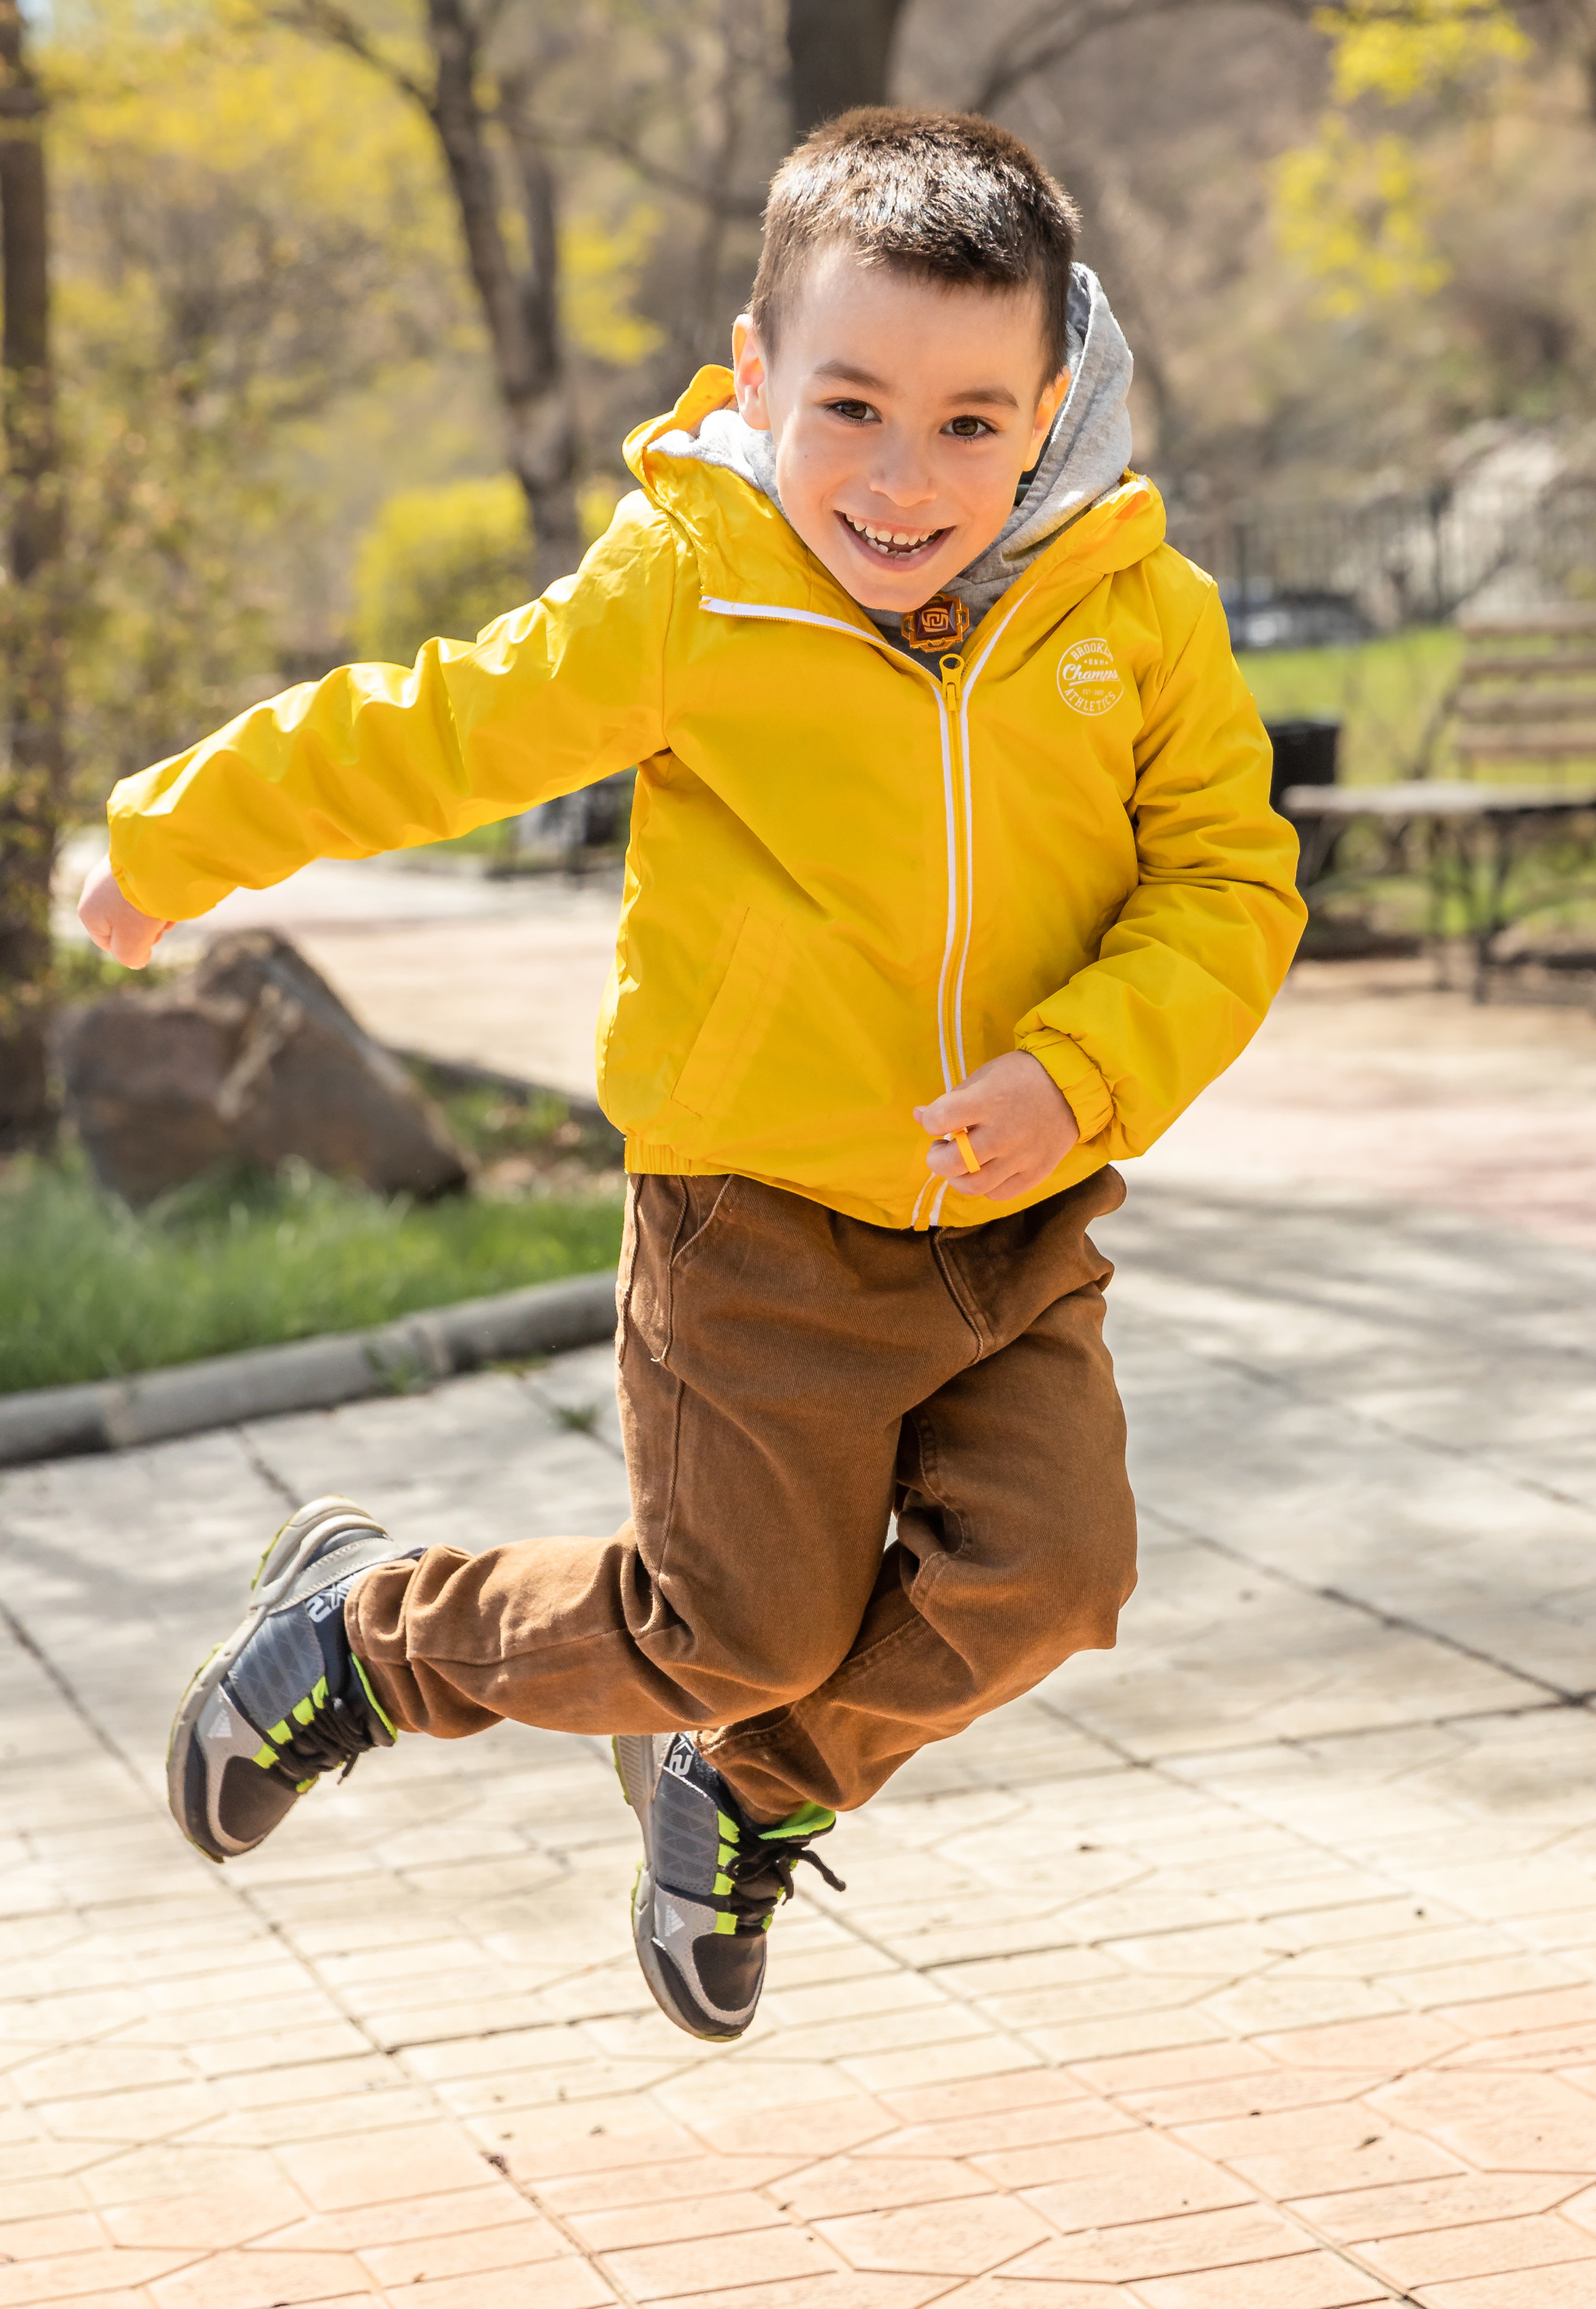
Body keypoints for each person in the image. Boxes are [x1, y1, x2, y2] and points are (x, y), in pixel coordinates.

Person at [79, 108, 1305, 2045]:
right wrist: (175, 839)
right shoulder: (695, 586)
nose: (905, 482)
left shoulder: (1138, 620)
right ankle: (370, 1639)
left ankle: (738, 1789)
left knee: (1057, 1577)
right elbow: (441, 729)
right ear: (755, 379)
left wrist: (1080, 1075)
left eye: (974, 422)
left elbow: (1231, 885)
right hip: (758, 1223)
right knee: (733, 1623)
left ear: (1054, 400)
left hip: (1014, 1216)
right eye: (850, 409)